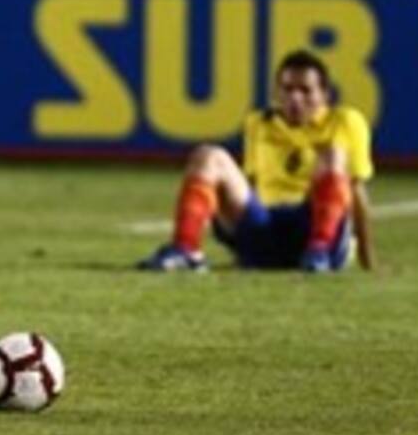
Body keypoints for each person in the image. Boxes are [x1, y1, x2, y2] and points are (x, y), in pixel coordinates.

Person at [138, 50, 375, 273]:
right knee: (209, 156)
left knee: (333, 156)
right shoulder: (259, 123)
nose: (295, 97)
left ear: (325, 94)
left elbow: (354, 187)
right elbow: (250, 184)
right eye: (287, 89)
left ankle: (319, 251)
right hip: (266, 225)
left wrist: (366, 257)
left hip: (313, 223)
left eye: (305, 90)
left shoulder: (345, 121)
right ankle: (186, 249)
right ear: (276, 93)